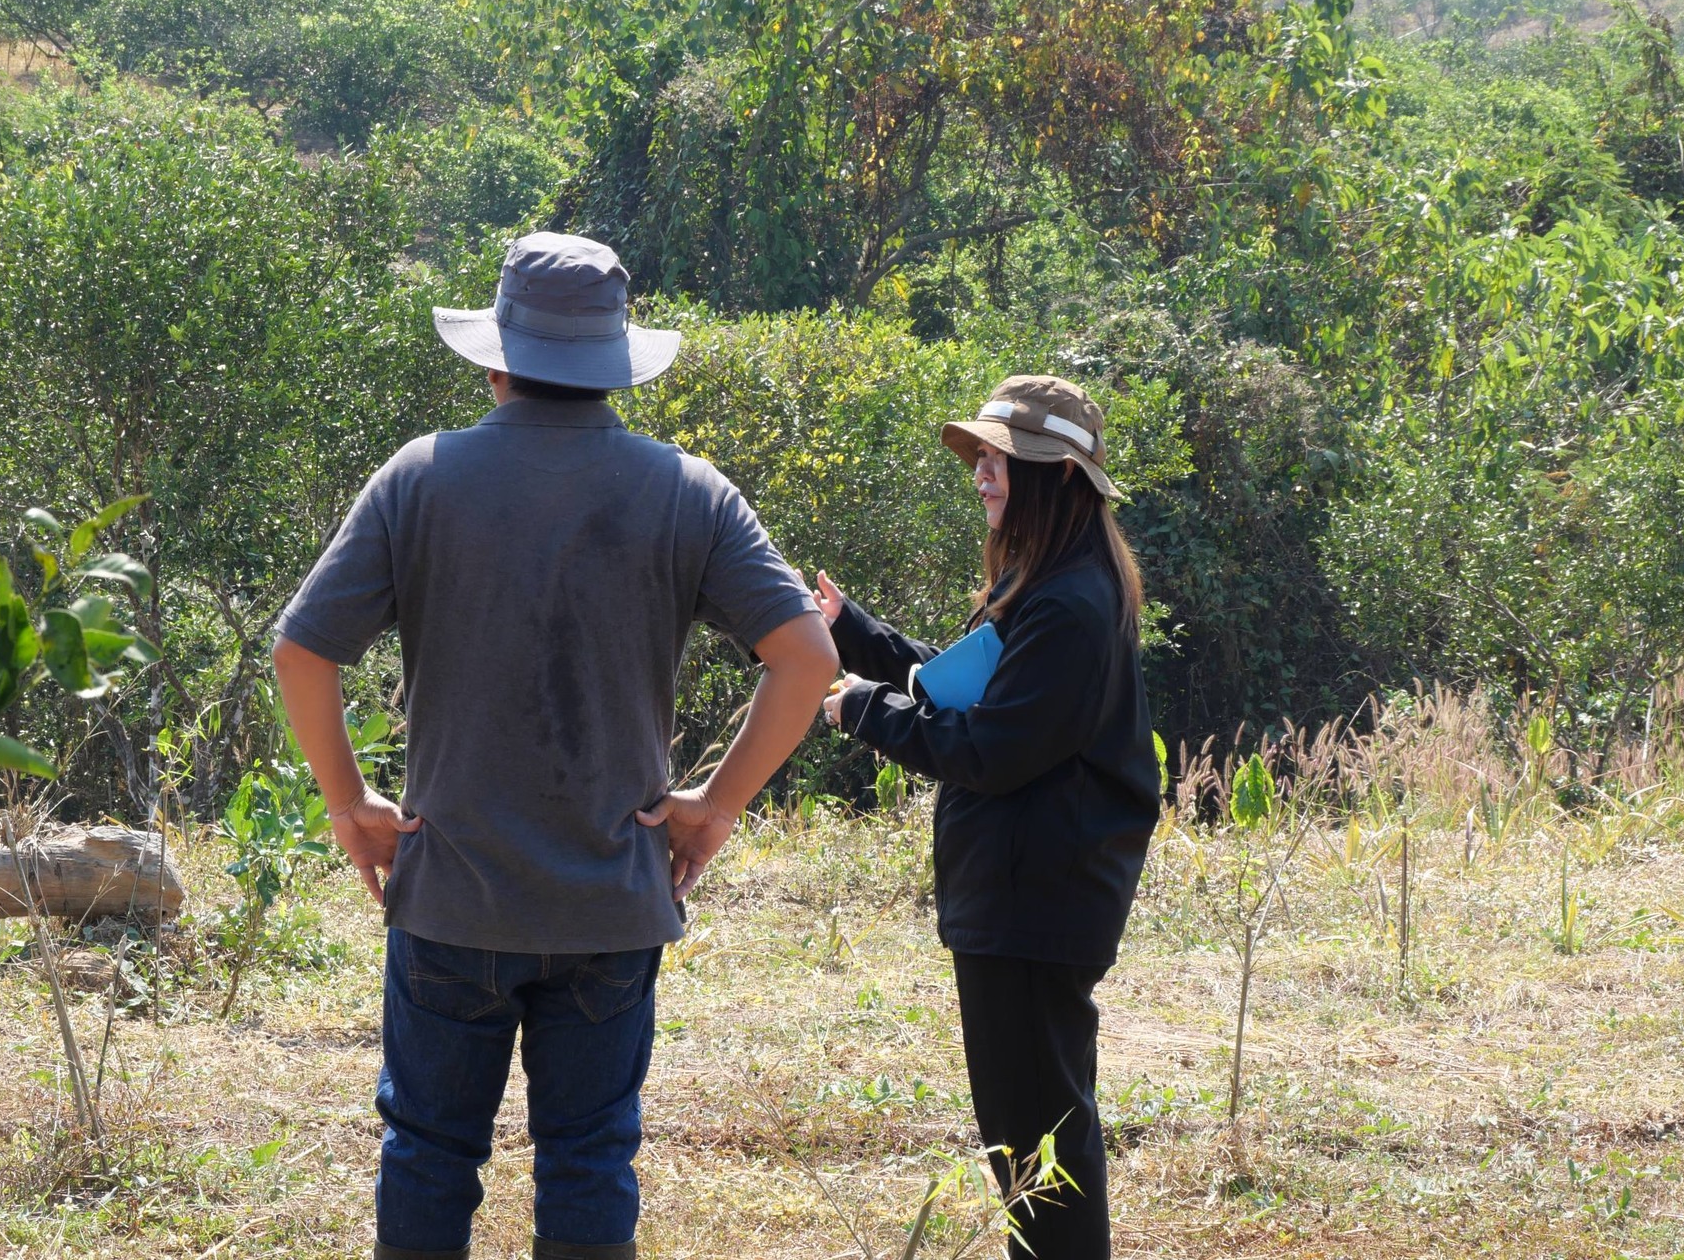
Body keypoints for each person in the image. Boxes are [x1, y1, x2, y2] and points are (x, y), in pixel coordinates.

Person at [272, 232, 838, 1260]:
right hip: (610, 898)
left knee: (429, 1152)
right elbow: (805, 657)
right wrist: (714, 806)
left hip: (451, 890)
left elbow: (303, 652)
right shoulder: (687, 490)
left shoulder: (420, 478)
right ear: (615, 364)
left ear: (495, 356)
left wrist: (350, 803)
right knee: (586, 1156)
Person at [816, 375, 1159, 1260]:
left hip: (1033, 904)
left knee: (1038, 1138)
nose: (982, 473)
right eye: (981, 456)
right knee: (1036, 1130)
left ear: (1060, 479)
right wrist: (854, 630)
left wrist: (862, 710)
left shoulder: (1069, 607)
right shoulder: (1052, 588)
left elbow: (987, 748)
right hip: (1031, 898)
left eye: (1003, 460)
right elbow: (957, 688)